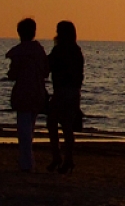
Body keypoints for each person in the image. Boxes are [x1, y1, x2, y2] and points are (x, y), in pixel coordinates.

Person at [5, 18, 49, 172]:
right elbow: (45, 72)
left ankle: (27, 163)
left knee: (24, 129)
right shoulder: (39, 51)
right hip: (37, 92)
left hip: (24, 92)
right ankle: (27, 161)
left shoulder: (20, 52)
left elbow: (13, 73)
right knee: (29, 128)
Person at [46, 21, 84, 173]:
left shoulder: (60, 50)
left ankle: (59, 157)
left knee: (53, 123)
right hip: (73, 92)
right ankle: (67, 159)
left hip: (63, 91)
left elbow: (49, 65)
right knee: (66, 127)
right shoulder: (76, 51)